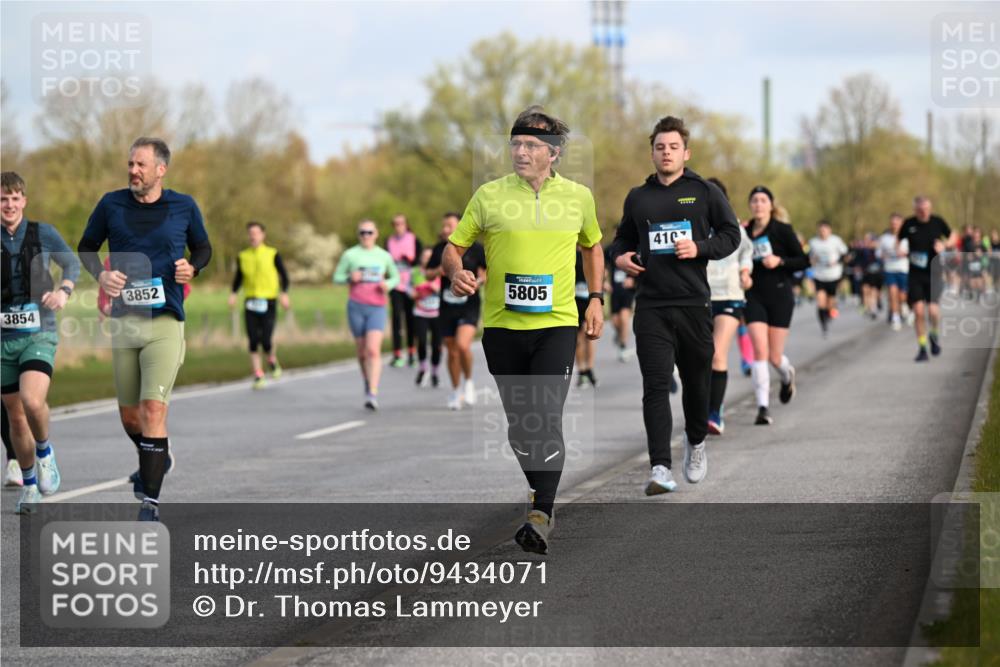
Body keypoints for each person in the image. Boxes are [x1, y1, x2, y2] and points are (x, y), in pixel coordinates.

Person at [443, 106, 603, 554]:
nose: (520, 151)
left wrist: (596, 298)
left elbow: (592, 246)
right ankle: (540, 491)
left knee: (545, 415)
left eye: (531, 145)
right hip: (501, 327)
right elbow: (454, 248)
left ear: (553, 153)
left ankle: (541, 512)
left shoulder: (578, 197)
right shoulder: (490, 196)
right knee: (520, 426)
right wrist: (456, 271)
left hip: (555, 324)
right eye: (515, 143)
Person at [77, 138, 211, 522]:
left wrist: (194, 267)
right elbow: (86, 247)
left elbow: (203, 248)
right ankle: (159, 454)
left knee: (153, 409)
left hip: (165, 320)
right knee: (130, 418)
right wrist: (101, 274)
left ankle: (149, 504)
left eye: (140, 165)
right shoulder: (110, 204)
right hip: (124, 321)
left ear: (160, 170)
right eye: (130, 164)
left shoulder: (184, 206)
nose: (133, 171)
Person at [610, 116, 741, 494]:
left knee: (697, 385)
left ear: (686, 152)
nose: (665, 153)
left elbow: (731, 235)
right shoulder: (638, 197)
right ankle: (660, 468)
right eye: (659, 147)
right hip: (651, 304)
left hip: (693, 303)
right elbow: (620, 240)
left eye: (673, 147)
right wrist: (621, 258)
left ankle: (696, 441)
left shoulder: (703, 192)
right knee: (655, 384)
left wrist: (699, 247)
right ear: (651, 152)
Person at [2, 171, 80, 513]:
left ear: (24, 201)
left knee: (33, 402)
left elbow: (72, 264)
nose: (9, 205)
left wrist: (63, 291)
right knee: (15, 417)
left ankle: (46, 452)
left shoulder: (43, 233)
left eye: (15, 198)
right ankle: (30, 485)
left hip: (39, 331)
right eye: (3, 199)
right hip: (3, 338)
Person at [744, 186, 809, 425]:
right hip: (753, 296)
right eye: (754, 201)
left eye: (763, 200)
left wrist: (780, 260)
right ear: (750, 205)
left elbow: (804, 261)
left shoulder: (782, 230)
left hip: (780, 295)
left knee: (774, 357)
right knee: (759, 352)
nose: (758, 204)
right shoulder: (744, 232)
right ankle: (763, 407)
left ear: (771, 205)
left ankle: (786, 373)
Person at [333, 219, 399, 409]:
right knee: (362, 353)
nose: (366, 236)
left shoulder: (384, 256)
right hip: (356, 306)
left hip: (377, 307)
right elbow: (336, 278)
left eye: (369, 232)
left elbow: (395, 276)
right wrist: (349, 278)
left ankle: (372, 391)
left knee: (372, 350)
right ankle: (366, 380)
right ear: (358, 235)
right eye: (362, 232)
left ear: (376, 234)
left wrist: (387, 284)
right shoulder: (350, 255)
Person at [705, 177, 753, 436]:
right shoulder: (695, 224)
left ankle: (715, 413)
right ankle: (706, 405)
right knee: (700, 358)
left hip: (730, 296)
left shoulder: (734, 226)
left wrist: (746, 271)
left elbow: (747, 251)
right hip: (701, 295)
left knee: (717, 353)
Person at [426, 212, 486, 411]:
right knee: (451, 352)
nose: (445, 229)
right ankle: (455, 390)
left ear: (460, 225)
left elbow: (487, 271)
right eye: (443, 226)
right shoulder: (440, 249)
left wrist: (478, 282)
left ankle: (468, 381)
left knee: (462, 346)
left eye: (449, 225)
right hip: (446, 306)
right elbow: (427, 273)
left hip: (469, 305)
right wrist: (439, 272)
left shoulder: (476, 248)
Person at [228, 222, 291, 389]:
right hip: (250, 301)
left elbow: (284, 275)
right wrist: (233, 294)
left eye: (256, 233)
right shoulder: (243, 256)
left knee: (266, 340)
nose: (253, 236)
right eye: (250, 233)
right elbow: (238, 278)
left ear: (263, 235)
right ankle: (258, 374)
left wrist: (284, 294)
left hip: (268, 300)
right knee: (253, 340)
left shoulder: (272, 254)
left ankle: (271, 358)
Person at [898, 196, 955, 362]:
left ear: (930, 208)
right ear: (915, 209)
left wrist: (945, 246)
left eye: (926, 209)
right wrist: (900, 250)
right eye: (920, 209)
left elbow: (952, 236)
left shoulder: (938, 222)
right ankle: (922, 347)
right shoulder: (909, 224)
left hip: (934, 272)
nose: (923, 212)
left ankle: (934, 335)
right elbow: (899, 240)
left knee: (933, 311)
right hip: (915, 274)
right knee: (918, 311)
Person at [386, 214, 421, 368]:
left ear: (406, 224)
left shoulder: (414, 239)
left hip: (410, 285)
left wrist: (409, 259)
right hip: (395, 285)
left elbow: (420, 262)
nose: (398, 226)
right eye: (395, 224)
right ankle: (397, 354)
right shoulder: (389, 241)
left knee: (410, 320)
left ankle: (412, 354)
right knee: (396, 320)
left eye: (400, 223)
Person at [807, 220, 848, 337]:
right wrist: (812, 261)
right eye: (820, 230)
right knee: (820, 301)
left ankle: (830, 313)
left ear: (829, 230)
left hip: (834, 275)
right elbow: (808, 257)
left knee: (830, 302)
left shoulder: (836, 241)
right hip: (819, 275)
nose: (823, 232)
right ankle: (823, 325)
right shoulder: (813, 242)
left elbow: (846, 255)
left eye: (825, 230)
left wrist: (836, 262)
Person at [410, 247, 443, 387]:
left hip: (437, 314)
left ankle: (435, 372)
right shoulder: (415, 272)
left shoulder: (441, 272)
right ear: (421, 258)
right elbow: (408, 288)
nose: (427, 259)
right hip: (420, 313)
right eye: (425, 256)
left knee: (437, 346)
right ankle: (423, 368)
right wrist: (414, 293)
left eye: (430, 256)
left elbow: (448, 290)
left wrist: (437, 290)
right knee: (422, 342)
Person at [878, 213, 909, 331]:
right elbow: (878, 253)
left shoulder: (907, 238)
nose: (894, 225)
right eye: (892, 223)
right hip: (889, 269)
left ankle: (904, 305)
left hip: (903, 269)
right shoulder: (884, 238)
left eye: (897, 223)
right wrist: (882, 255)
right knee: (892, 294)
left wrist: (904, 253)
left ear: (901, 224)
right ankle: (896, 318)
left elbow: (913, 252)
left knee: (902, 296)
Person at [605, 243, 636, 362]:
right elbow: (602, 265)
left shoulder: (633, 247)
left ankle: (622, 346)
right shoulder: (610, 250)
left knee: (624, 318)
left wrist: (633, 279)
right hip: (615, 290)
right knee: (615, 321)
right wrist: (604, 281)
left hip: (627, 290)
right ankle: (619, 334)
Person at [574, 248, 598, 387]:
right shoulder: (568, 251)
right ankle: (582, 371)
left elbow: (601, 271)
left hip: (589, 298)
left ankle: (589, 368)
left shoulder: (591, 250)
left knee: (589, 334)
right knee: (578, 338)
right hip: (574, 299)